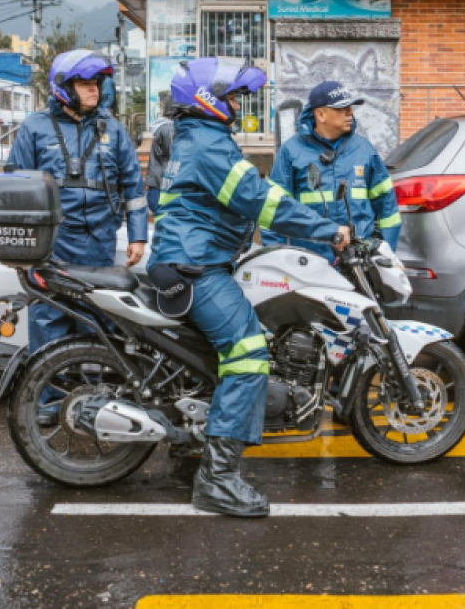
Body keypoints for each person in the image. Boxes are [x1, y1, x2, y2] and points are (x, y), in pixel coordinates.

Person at [149, 57, 350, 518]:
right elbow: (260, 200)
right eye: (232, 96)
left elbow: (253, 196)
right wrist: (327, 229)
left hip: (194, 259)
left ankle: (196, 440)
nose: (238, 103)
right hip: (195, 267)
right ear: (207, 99)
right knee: (248, 353)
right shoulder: (208, 145)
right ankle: (217, 480)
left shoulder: (200, 138)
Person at [8, 50, 148, 424]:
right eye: (86, 85)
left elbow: (134, 185)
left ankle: (97, 402)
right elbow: (17, 187)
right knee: (49, 323)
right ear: (64, 88)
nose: (95, 91)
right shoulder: (34, 128)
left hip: (99, 243)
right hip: (53, 245)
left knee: (97, 327)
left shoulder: (112, 129)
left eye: (97, 85)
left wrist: (137, 237)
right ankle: (47, 404)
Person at [265, 81, 401, 263]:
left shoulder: (364, 150)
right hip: (309, 262)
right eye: (341, 109)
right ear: (320, 114)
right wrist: (277, 259)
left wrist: (386, 253)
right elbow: (274, 209)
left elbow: (387, 207)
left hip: (359, 262)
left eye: (350, 108)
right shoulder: (291, 152)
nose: (350, 113)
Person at [144, 91, 175, 214]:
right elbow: (175, 157)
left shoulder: (163, 127)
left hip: (157, 186)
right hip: (162, 187)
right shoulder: (168, 129)